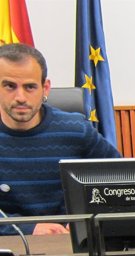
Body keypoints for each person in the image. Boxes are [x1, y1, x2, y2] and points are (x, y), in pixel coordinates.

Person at [0, 43, 120, 236]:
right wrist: (29, 229)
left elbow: (121, 181)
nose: (20, 97)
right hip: (9, 251)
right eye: (10, 86)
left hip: (73, 244)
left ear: (45, 88)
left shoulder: (76, 130)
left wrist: (86, 220)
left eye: (30, 87)